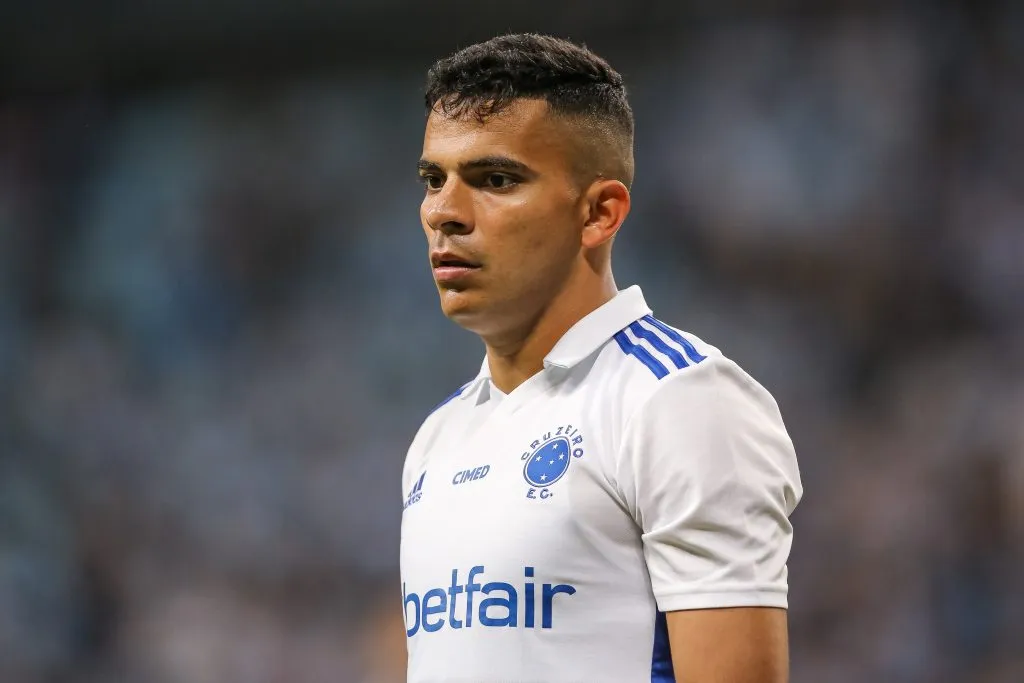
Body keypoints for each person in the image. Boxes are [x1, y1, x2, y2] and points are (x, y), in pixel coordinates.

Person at [400, 33, 802, 683]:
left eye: (494, 179)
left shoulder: (680, 400)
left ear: (599, 213)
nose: (444, 212)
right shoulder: (434, 441)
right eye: (432, 179)